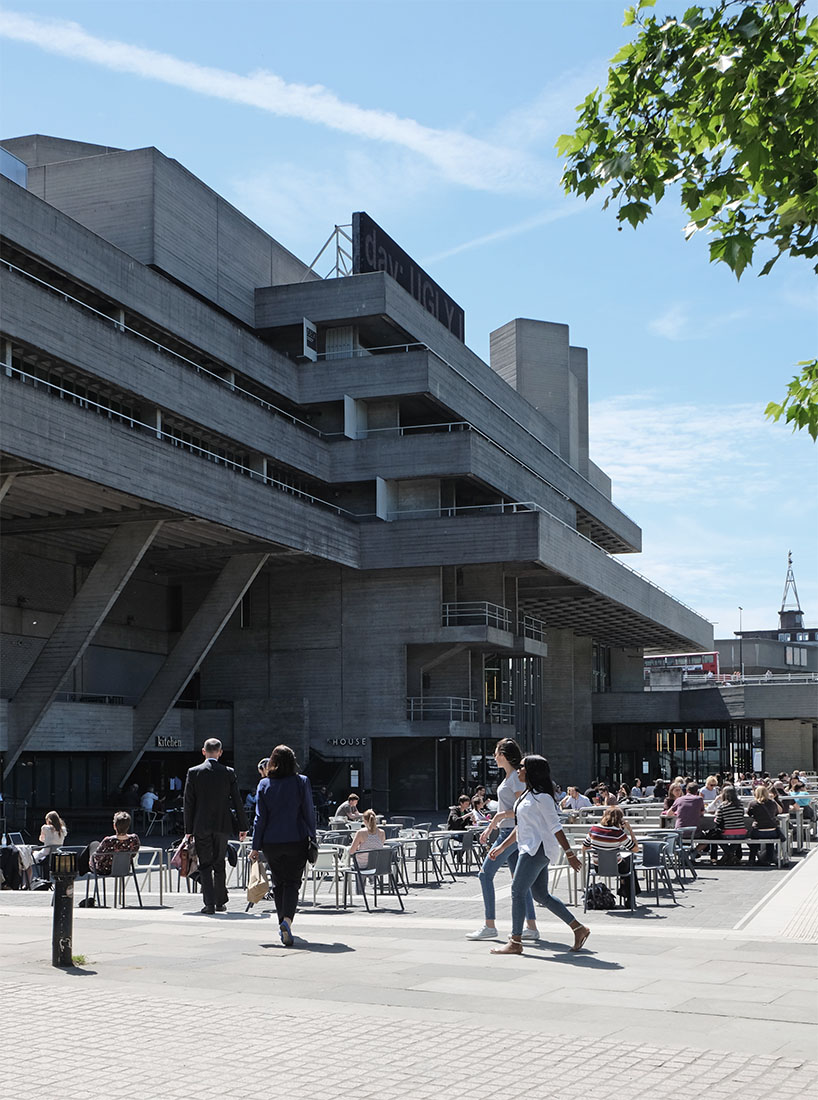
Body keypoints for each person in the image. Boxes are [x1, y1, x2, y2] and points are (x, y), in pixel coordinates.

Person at [487, 754, 589, 956]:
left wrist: (569, 854)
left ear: (532, 771)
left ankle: (515, 941)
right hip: (530, 848)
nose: (519, 770)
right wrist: (501, 848)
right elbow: (520, 828)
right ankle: (579, 928)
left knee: (517, 890)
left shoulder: (543, 797)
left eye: (522, 767)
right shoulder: (526, 796)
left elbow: (556, 827)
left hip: (537, 849)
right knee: (540, 894)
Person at [466, 737, 540, 942]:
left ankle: (489, 925)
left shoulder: (516, 778)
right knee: (520, 882)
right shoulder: (510, 777)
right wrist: (491, 826)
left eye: (497, 753)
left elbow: (521, 809)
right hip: (509, 832)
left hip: (511, 833)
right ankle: (531, 928)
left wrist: (496, 820)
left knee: (484, 874)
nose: (494, 756)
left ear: (505, 755)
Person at [250, 745, 316, 946]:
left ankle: (282, 922)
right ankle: (287, 920)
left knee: (278, 883)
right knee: (293, 882)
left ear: (273, 762)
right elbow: (308, 812)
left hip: (271, 842)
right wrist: (312, 836)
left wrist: (255, 845)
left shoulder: (264, 784)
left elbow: (259, 818)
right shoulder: (301, 782)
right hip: (296, 839)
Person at [183, 738, 248, 915]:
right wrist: (243, 826)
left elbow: (189, 803)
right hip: (222, 824)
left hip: (201, 825)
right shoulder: (228, 772)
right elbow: (237, 800)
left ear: (203, 752)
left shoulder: (193, 772)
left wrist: (188, 830)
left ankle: (209, 904)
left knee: (205, 864)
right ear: (220, 752)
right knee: (219, 862)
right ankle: (221, 902)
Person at [582, 806, 640, 902]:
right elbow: (636, 849)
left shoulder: (593, 829)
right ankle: (630, 897)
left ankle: (625, 892)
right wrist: (630, 830)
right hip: (616, 867)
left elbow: (584, 848)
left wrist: (599, 847)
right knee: (629, 863)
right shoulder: (618, 833)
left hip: (598, 867)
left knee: (626, 864)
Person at [91, 811, 140, 875]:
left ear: (114, 826)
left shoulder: (108, 841)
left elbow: (97, 857)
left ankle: (77, 869)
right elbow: (134, 854)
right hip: (124, 868)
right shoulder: (134, 839)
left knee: (93, 845)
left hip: (106, 870)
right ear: (128, 826)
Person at [711, 784, 748, 864]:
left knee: (716, 837)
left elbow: (717, 821)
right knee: (737, 841)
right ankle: (731, 857)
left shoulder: (722, 806)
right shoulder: (740, 805)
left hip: (727, 833)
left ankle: (729, 856)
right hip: (741, 832)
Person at [747, 785, 783, 865]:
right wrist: (773, 799)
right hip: (772, 831)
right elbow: (779, 811)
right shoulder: (772, 803)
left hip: (758, 831)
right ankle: (769, 859)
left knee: (753, 842)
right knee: (770, 843)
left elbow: (749, 814)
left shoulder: (753, 804)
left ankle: (752, 859)